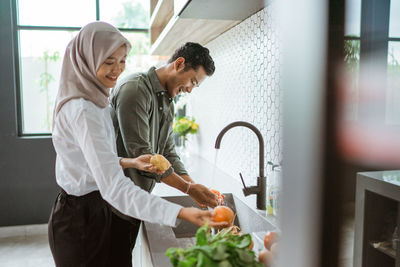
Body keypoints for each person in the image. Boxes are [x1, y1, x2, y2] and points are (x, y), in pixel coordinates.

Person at [48, 22, 225, 267]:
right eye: (109, 61)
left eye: (122, 61)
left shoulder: (96, 100)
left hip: (103, 206)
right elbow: (115, 185)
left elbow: (100, 159)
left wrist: (192, 185)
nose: (117, 70)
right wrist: (181, 210)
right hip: (86, 215)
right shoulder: (86, 108)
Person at [109, 42, 218, 259]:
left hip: (133, 202)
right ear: (179, 64)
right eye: (193, 82)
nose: (189, 89)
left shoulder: (167, 101)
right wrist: (188, 189)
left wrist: (194, 186)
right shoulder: (135, 89)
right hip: (110, 204)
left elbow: (168, 153)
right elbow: (144, 155)